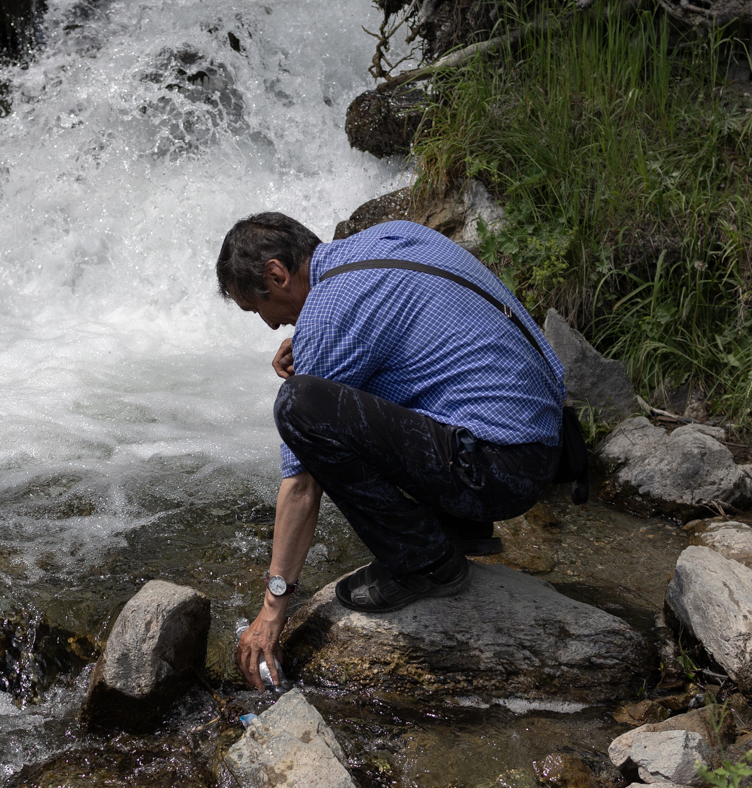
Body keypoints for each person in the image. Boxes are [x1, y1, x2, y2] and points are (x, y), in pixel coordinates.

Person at [216, 210, 568, 691]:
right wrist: (313, 343)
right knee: (338, 393)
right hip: (546, 443)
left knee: (299, 406)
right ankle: (457, 527)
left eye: (257, 309)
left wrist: (273, 606)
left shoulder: (330, 314)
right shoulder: (391, 237)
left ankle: (424, 563)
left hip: (499, 472)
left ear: (276, 275)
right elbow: (408, 325)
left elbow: (301, 487)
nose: (269, 324)